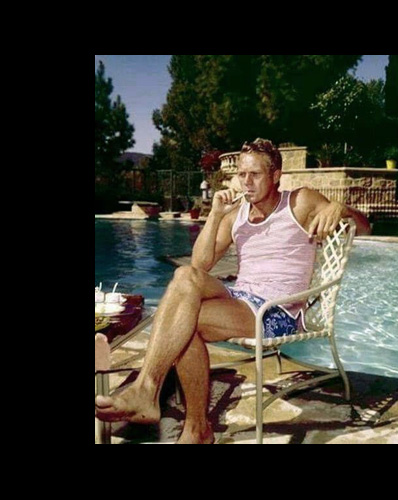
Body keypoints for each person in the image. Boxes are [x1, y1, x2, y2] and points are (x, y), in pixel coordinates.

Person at [96, 138, 371, 444]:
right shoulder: (236, 214)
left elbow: (364, 227)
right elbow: (200, 265)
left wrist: (340, 208)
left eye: (255, 174)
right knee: (185, 278)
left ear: (275, 175)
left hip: (277, 311)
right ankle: (166, 406)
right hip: (240, 301)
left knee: (184, 323)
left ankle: (184, 420)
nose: (247, 182)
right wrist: (215, 214)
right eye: (242, 174)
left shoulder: (300, 201)